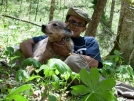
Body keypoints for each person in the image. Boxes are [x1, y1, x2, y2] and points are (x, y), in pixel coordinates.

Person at [20, 7, 103, 73]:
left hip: (81, 76)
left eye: (80, 24)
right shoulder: (53, 37)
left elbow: (95, 63)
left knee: (72, 60)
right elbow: (25, 43)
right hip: (60, 77)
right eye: (72, 22)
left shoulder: (89, 41)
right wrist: (32, 61)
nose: (75, 26)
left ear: (84, 29)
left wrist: (68, 54)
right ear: (66, 23)